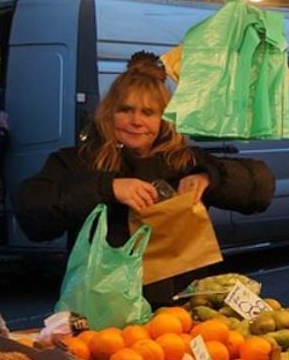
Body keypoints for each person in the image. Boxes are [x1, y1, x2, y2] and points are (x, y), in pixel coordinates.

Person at [15, 52, 275, 304]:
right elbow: (32, 213)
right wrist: (107, 187)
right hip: (103, 313)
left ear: (164, 119)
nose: (136, 121)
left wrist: (211, 176)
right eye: (125, 110)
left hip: (179, 313)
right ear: (108, 113)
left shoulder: (185, 161)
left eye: (148, 113)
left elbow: (261, 188)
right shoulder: (77, 161)